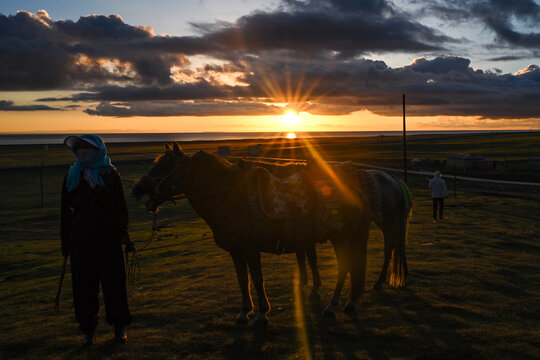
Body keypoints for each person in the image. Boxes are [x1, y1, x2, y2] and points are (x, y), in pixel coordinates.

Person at [60, 135, 134, 345]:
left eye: (87, 149)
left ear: (97, 151)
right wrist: (65, 243)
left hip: (108, 239)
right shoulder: (72, 176)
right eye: (79, 149)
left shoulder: (111, 175)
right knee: (83, 287)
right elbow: (65, 213)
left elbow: (120, 209)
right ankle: (88, 330)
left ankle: (119, 327)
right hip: (80, 239)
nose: (82, 153)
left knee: (114, 285)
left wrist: (124, 235)